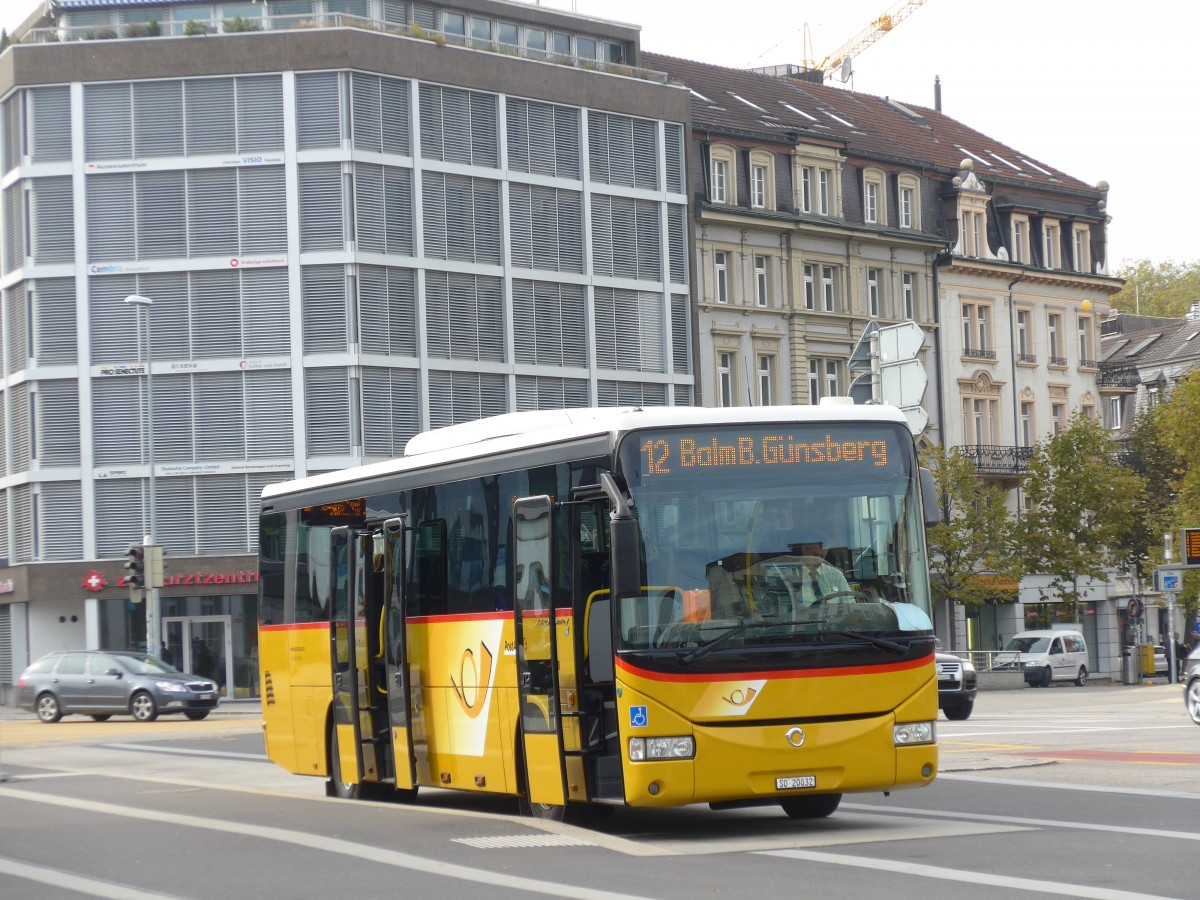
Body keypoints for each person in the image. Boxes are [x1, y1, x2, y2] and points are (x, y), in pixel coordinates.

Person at [786, 537, 852, 605]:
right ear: (804, 550)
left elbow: (849, 603)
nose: (818, 560)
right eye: (815, 555)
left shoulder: (836, 575)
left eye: (822, 556)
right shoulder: (788, 574)